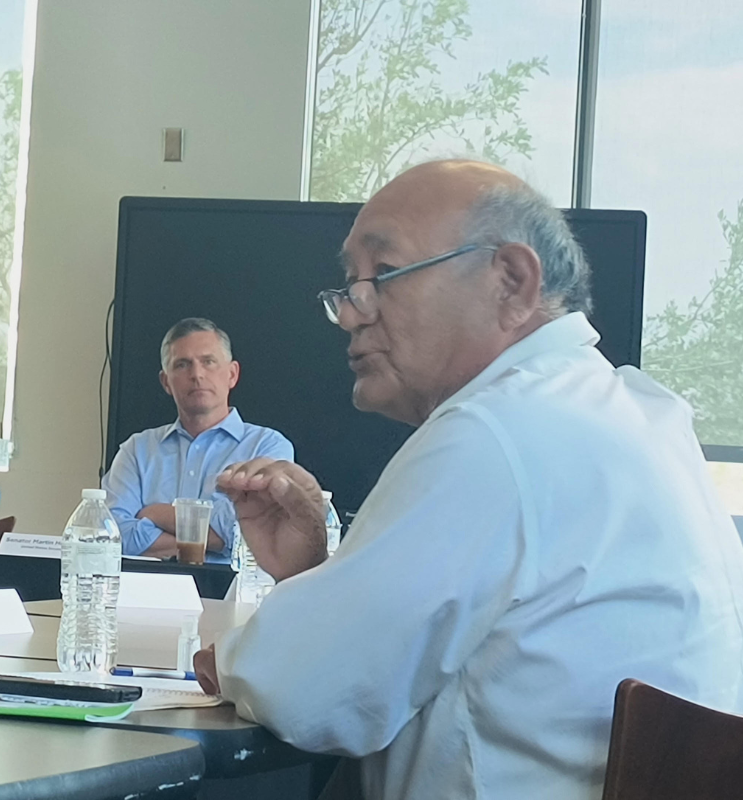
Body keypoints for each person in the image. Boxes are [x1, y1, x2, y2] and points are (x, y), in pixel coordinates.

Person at [194, 160, 743, 799]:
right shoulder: (637, 413)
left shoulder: (497, 430)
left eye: (383, 274)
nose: (351, 313)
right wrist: (315, 576)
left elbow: (302, 690)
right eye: (349, 284)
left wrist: (226, 660)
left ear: (511, 282)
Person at [102, 318, 294, 562]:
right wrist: (206, 541)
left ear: (232, 374)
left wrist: (155, 513)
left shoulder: (267, 446)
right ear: (166, 382)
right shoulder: (136, 451)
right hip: (148, 585)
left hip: (230, 586)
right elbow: (112, 536)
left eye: (208, 362)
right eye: (182, 365)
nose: (197, 374)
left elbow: (244, 535)